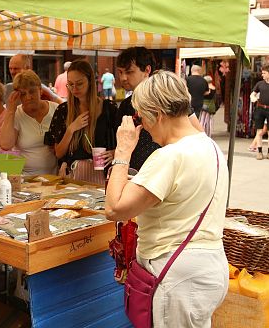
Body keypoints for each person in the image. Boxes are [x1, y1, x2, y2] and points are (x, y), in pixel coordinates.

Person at [106, 70, 228, 328]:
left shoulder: (170, 157)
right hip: (210, 267)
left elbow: (114, 208)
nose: (144, 127)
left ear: (158, 114)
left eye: (142, 117)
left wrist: (123, 151)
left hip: (177, 277)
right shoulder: (210, 146)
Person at [116, 47, 204, 172]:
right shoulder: (125, 105)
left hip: (164, 171)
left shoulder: (167, 98)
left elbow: (198, 135)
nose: (123, 77)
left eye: (129, 72)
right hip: (135, 174)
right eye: (120, 72)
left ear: (147, 70)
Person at [44, 60, 117, 182]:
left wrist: (114, 153)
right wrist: (71, 129)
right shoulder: (63, 110)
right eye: (70, 84)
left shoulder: (109, 109)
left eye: (79, 83)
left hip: (103, 176)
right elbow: (59, 153)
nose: (74, 89)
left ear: (90, 81)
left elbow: (125, 142)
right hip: (73, 176)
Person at [0, 70, 58, 175]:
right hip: (25, 178)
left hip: (54, 177)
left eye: (32, 91)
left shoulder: (56, 110)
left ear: (40, 90)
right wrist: (10, 111)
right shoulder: (16, 114)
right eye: (23, 94)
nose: (28, 97)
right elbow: (5, 144)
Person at [250, 64, 269, 160]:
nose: (262, 75)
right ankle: (260, 152)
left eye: (264, 73)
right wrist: (253, 98)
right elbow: (253, 94)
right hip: (260, 109)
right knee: (259, 130)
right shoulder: (260, 84)